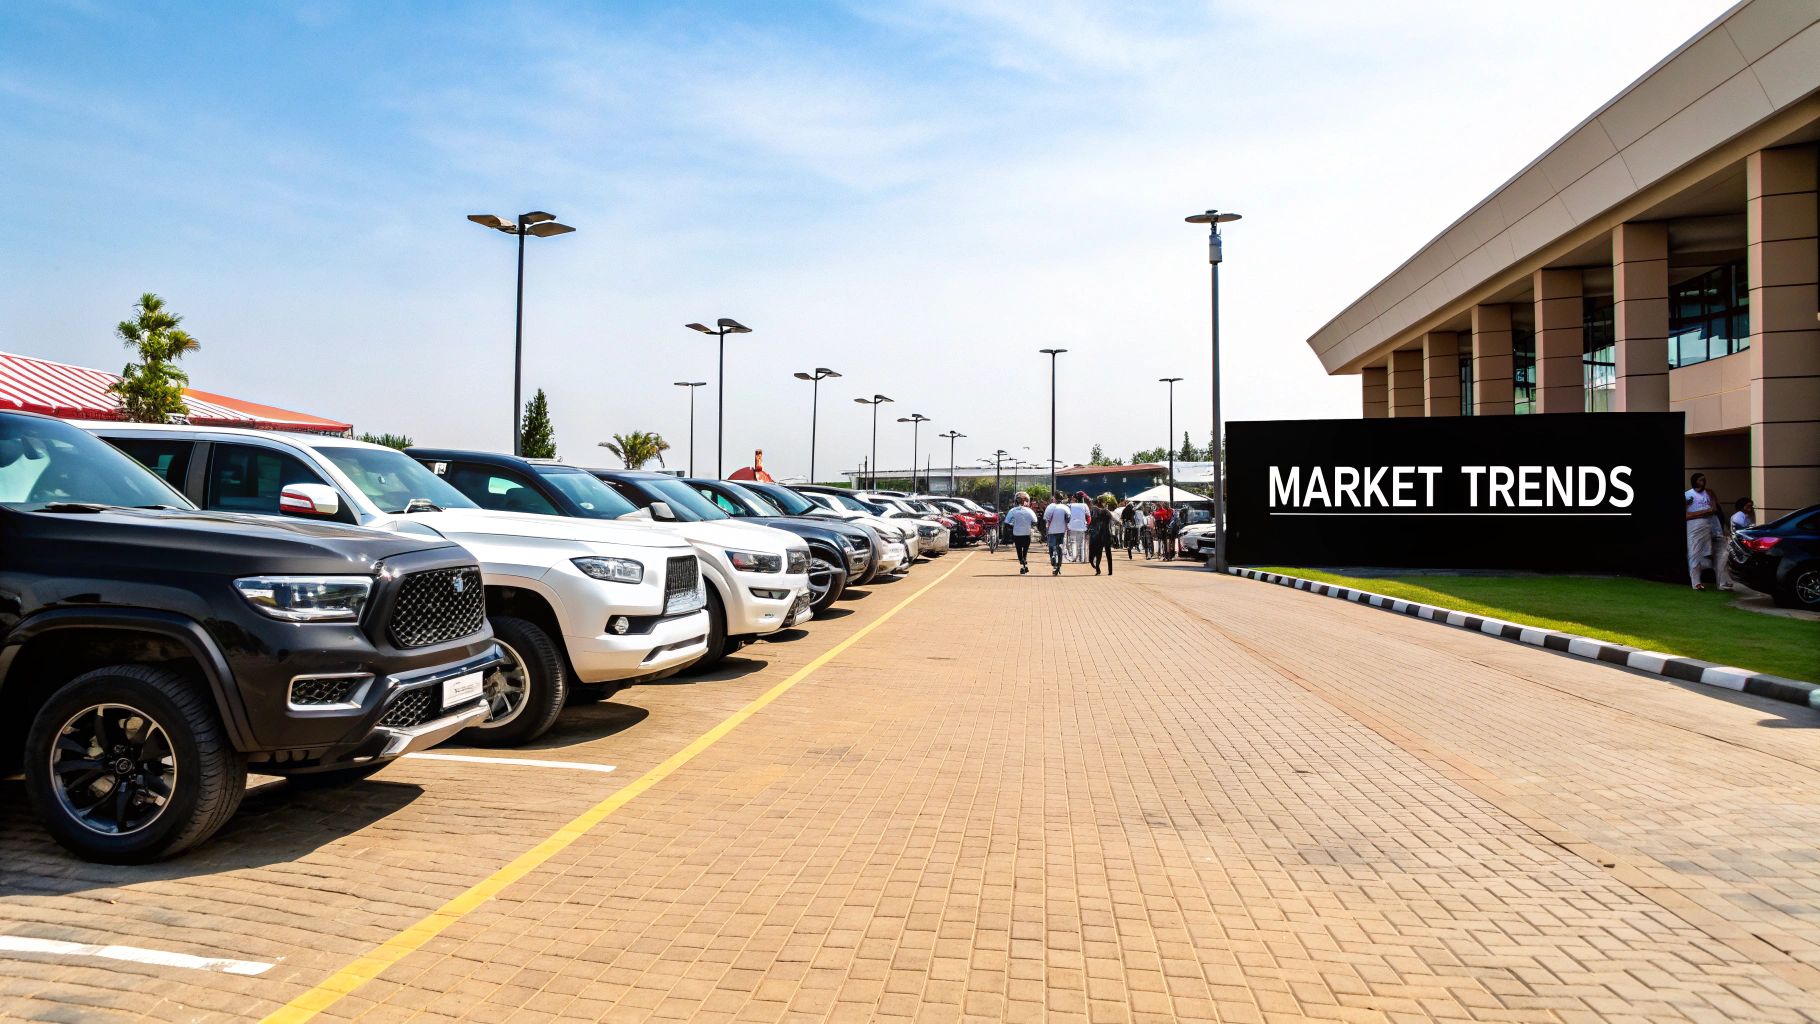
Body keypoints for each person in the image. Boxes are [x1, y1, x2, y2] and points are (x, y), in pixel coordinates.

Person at [1684, 472, 1732, 591]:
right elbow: (1687, 515)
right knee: (1695, 552)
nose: (1703, 482)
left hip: (1713, 525)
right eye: (1700, 480)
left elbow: (1715, 508)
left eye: (1704, 480)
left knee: (1722, 552)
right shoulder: (1687, 495)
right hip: (1696, 526)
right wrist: (1704, 512)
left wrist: (1725, 525)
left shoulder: (1709, 492)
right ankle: (1696, 582)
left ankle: (1723, 581)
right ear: (1694, 481)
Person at [1003, 492, 1038, 575]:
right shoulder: (1029, 510)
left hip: (1017, 534)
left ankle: (1022, 563)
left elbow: (1007, 522)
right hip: (1026, 533)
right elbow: (1035, 521)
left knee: (1019, 550)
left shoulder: (1012, 511)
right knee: (1025, 550)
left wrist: (1012, 527)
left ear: (1016, 501)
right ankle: (1024, 563)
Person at [1042, 493, 1069, 575]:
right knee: (1059, 547)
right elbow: (1068, 519)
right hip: (1061, 531)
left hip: (1051, 531)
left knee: (1051, 546)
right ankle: (1059, 566)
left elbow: (1045, 518)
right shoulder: (1065, 507)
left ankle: (1053, 559)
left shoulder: (1050, 507)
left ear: (1054, 498)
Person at [1089, 494, 1116, 576]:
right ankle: (1110, 571)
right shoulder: (1107, 512)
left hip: (1098, 535)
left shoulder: (1095, 510)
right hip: (1107, 534)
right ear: (1103, 502)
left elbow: (1092, 522)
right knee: (1108, 553)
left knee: (1098, 553)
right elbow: (1113, 520)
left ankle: (1098, 569)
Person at [1066, 491, 1091, 563]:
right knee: (1080, 543)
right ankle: (1082, 559)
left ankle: (1074, 558)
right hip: (1082, 527)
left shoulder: (1069, 505)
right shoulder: (1085, 506)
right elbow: (1089, 518)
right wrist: (1087, 524)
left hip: (1071, 527)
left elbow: (1067, 516)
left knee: (1072, 543)